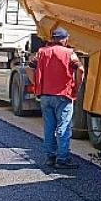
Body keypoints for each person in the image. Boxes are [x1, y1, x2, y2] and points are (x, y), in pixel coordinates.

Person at [35, 27, 84, 169]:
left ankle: (50, 157)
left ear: (53, 39)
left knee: (49, 127)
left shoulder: (41, 52)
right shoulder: (70, 53)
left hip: (45, 96)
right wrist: (77, 86)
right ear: (65, 39)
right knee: (63, 127)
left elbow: (30, 68)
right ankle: (62, 159)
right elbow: (80, 69)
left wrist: (38, 85)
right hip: (64, 95)